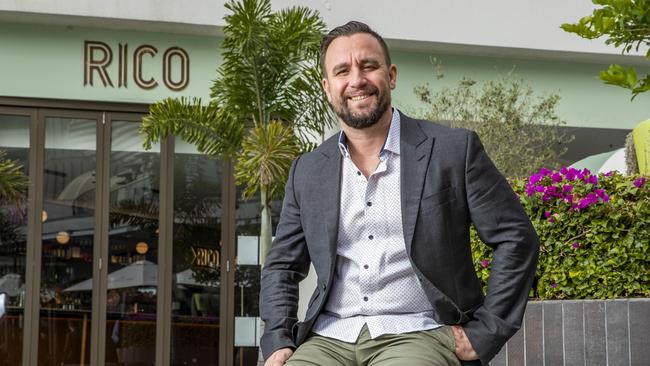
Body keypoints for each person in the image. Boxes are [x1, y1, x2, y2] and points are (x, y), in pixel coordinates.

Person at [260, 21, 539, 366]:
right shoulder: (308, 170)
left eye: (368, 66)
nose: (356, 80)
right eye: (342, 71)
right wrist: (278, 340)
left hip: (419, 332)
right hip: (330, 337)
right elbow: (282, 265)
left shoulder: (453, 151)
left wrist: (486, 333)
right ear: (328, 88)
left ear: (390, 75)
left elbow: (516, 237)